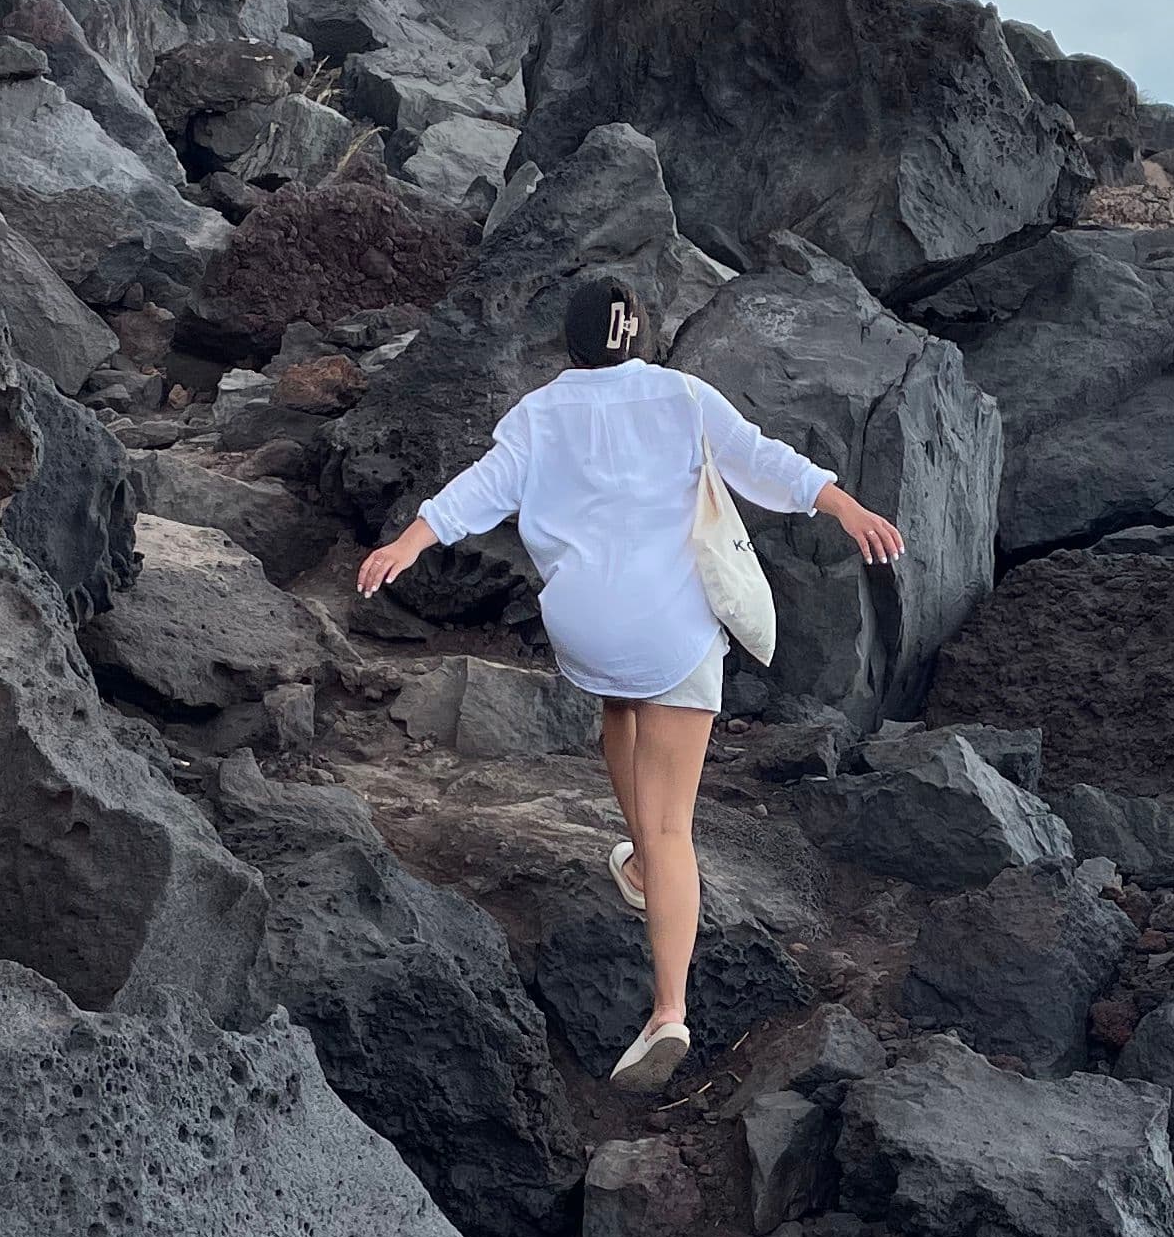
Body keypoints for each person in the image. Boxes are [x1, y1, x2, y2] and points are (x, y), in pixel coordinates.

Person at [357, 273, 905, 1089]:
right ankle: (669, 1009)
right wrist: (848, 507)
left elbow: (480, 488)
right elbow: (764, 461)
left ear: (571, 346)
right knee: (673, 822)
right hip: (670, 630)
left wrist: (411, 540)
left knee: (621, 702)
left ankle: (642, 866)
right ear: (639, 334)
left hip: (584, 627)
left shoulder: (541, 413)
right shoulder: (683, 396)